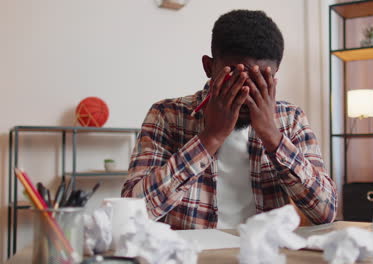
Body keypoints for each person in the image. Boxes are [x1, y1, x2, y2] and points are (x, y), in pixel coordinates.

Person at [122, 9, 337, 229]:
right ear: (209, 67)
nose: (246, 92)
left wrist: (273, 137)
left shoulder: (291, 118)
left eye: (261, 79)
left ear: (275, 75)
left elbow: (325, 213)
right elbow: (133, 213)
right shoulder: (167, 115)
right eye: (235, 76)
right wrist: (210, 137)